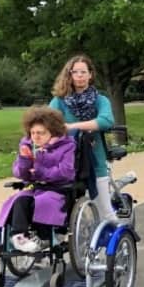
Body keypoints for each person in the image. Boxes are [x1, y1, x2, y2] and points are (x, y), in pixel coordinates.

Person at [0, 106, 77, 252]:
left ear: (52, 132)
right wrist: (24, 160)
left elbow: (66, 172)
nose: (35, 136)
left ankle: (45, 239)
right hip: (35, 188)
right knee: (19, 199)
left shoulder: (67, 146)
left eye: (40, 133)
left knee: (44, 202)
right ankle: (19, 237)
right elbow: (18, 172)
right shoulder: (27, 145)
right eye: (33, 132)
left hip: (58, 188)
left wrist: (41, 171)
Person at [50, 55, 117, 224]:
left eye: (83, 72)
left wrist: (72, 127)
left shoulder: (100, 100)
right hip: (67, 160)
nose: (79, 75)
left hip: (95, 160)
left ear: (90, 75)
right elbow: (48, 123)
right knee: (60, 209)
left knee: (105, 212)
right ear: (70, 75)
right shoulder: (59, 102)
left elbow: (106, 121)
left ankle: (119, 243)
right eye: (75, 72)